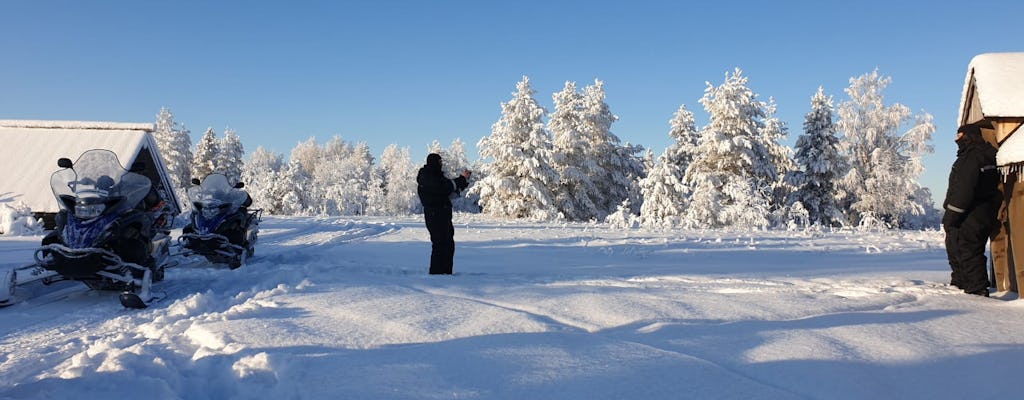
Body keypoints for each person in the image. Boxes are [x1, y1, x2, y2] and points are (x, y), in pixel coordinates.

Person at [942, 123, 1000, 297]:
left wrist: (951, 215)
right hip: (981, 210)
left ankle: (976, 289)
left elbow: (963, 190)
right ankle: (961, 283)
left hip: (971, 211)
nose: (956, 139)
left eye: (960, 136)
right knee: (957, 245)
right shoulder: (984, 155)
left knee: (968, 248)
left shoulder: (972, 158)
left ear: (969, 137)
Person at [416, 153, 471, 275]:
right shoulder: (426, 176)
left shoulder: (436, 176)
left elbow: (447, 194)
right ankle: (437, 275)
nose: (441, 165)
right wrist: (460, 179)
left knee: (448, 244)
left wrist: (461, 187)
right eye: (439, 162)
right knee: (440, 243)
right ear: (433, 162)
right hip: (434, 214)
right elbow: (443, 187)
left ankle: (446, 273)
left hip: (444, 215)